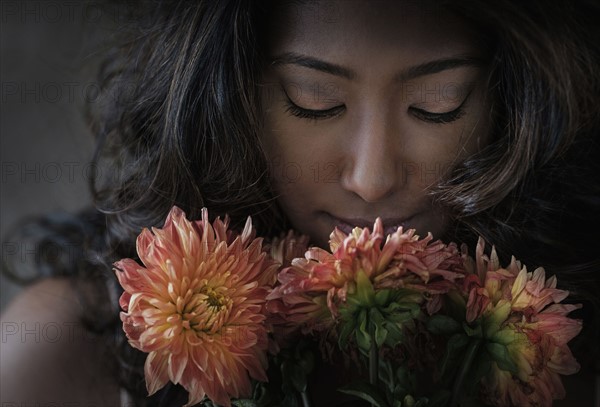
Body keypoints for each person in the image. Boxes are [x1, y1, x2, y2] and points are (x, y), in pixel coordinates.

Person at [2, 0, 599, 405]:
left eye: (438, 104)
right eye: (314, 101)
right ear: (231, 99)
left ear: (513, 104)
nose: (372, 179)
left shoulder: (565, 336)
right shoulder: (65, 350)